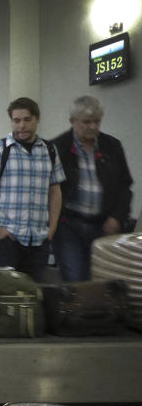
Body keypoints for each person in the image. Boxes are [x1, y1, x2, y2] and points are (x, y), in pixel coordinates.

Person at [0, 97, 65, 282]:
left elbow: (55, 190)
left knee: (34, 297)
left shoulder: (49, 150)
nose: (22, 126)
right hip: (6, 239)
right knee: (3, 298)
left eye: (27, 119)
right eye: (16, 121)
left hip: (38, 239)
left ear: (37, 119)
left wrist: (52, 228)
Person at [51, 95, 134, 281]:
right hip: (68, 225)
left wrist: (117, 217)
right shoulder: (58, 148)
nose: (93, 127)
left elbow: (125, 187)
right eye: (86, 122)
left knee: (102, 278)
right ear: (72, 121)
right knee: (75, 278)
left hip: (103, 225)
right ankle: (77, 310)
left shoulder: (112, 146)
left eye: (97, 121)